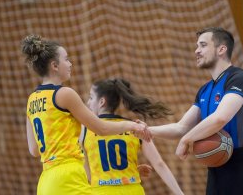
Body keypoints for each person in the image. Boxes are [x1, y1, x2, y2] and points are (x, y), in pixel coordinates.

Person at [22, 35, 150, 195]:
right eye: (66, 59)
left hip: (46, 181)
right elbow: (101, 128)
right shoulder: (64, 94)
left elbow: (34, 150)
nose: (70, 64)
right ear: (54, 65)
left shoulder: (32, 99)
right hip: (69, 176)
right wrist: (132, 125)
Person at [148, 27, 243, 195]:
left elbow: (220, 118)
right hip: (215, 173)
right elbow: (181, 127)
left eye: (202, 45)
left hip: (241, 170)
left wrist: (187, 139)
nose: (197, 51)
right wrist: (145, 130)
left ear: (221, 49)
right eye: (197, 46)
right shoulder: (204, 90)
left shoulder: (238, 78)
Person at [80, 78, 184, 195]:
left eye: (91, 97)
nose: (88, 102)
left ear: (101, 102)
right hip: (133, 190)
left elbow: (87, 173)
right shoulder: (136, 128)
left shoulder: (85, 129)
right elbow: (159, 164)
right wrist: (180, 193)